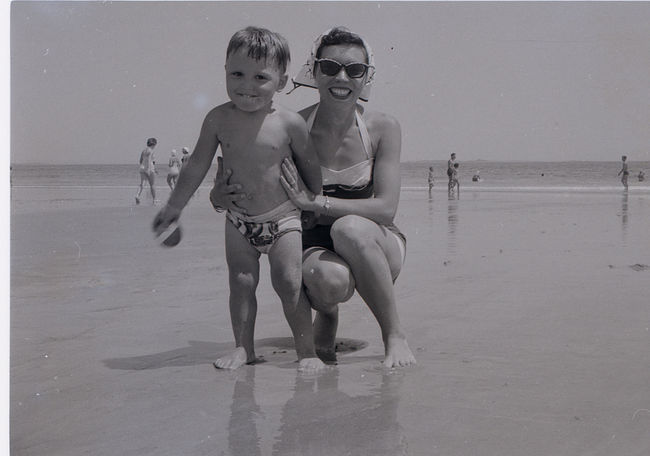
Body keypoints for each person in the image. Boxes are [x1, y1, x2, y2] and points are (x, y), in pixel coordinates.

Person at [212, 27, 416, 368]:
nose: (342, 77)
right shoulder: (293, 125)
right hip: (316, 246)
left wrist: (315, 203)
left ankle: (394, 335)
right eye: (330, 66)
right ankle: (328, 315)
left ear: (367, 77)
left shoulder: (383, 127)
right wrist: (219, 198)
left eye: (354, 70)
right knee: (325, 279)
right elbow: (251, 186)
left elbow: (385, 208)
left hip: (376, 243)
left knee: (348, 228)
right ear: (314, 71)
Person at [153, 27, 324, 372]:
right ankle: (243, 348)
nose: (246, 85)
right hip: (238, 219)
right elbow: (197, 164)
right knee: (241, 283)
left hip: (283, 217)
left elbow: (310, 165)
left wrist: (313, 201)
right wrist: (174, 206)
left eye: (260, 77)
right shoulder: (218, 118)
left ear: (281, 81)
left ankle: (307, 351)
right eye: (237, 74)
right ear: (225, 72)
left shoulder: (290, 123)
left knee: (288, 283)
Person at [135, 137, 157, 205]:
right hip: (149, 169)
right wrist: (149, 169)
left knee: (142, 184)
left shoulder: (143, 151)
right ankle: (154, 200)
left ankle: (137, 195)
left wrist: (144, 167)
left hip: (142, 168)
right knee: (152, 185)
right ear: (154, 144)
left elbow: (140, 160)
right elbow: (149, 160)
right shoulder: (151, 151)